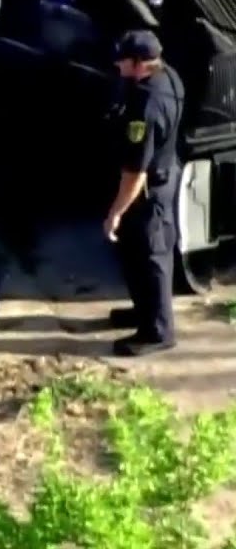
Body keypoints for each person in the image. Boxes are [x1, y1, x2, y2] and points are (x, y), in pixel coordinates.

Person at [104, 30, 183, 357]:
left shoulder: (146, 107)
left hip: (150, 188)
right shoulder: (168, 76)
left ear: (139, 64)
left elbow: (135, 171)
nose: (116, 63)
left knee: (153, 256)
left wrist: (116, 213)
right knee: (135, 252)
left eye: (122, 59)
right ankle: (144, 312)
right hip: (161, 175)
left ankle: (158, 330)